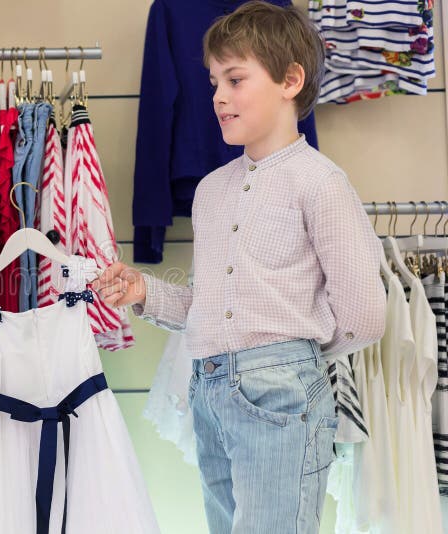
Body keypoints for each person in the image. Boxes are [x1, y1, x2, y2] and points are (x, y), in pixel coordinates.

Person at [93, 2, 387, 532]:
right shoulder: (211, 190)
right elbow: (210, 307)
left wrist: (285, 357)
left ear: (290, 80)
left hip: (281, 396)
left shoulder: (320, 184)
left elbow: (365, 316)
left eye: (234, 78)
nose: (218, 97)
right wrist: (143, 291)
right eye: (213, 82)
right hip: (209, 393)